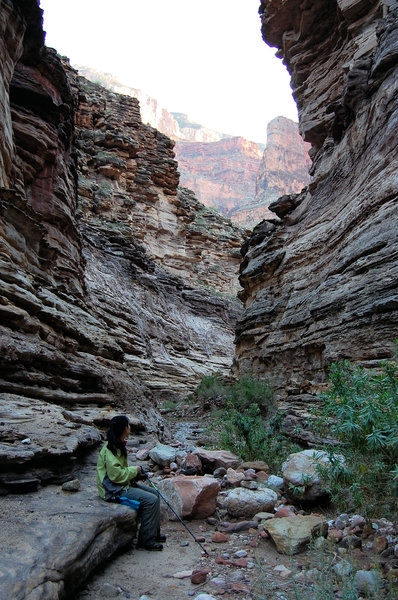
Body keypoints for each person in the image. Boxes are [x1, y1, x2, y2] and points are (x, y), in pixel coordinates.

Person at [96, 415, 166, 551]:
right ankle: (146, 541)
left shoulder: (117, 444)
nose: (130, 428)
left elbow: (120, 471)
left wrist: (134, 475)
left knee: (155, 494)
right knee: (150, 500)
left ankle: (153, 533)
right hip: (113, 490)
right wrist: (135, 470)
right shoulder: (110, 449)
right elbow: (116, 475)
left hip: (121, 485)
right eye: (128, 426)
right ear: (123, 429)